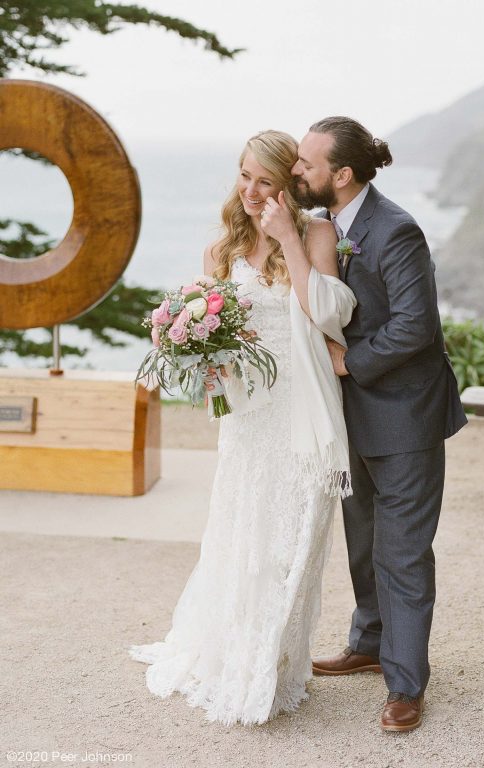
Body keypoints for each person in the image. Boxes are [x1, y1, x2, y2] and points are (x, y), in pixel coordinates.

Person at [128, 130, 356, 726]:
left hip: (302, 412)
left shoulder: (317, 232)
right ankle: (237, 659)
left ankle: (275, 664)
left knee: (295, 540)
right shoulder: (220, 252)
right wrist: (206, 364)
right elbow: (212, 339)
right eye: (244, 176)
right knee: (244, 537)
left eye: (266, 180)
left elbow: (331, 314)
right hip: (248, 416)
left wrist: (289, 239)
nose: (252, 191)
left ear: (289, 184)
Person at [291, 117, 467, 732]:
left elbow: (417, 327)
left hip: (405, 415)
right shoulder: (322, 226)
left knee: (402, 553)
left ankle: (405, 683)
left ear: (342, 175)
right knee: (363, 541)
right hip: (350, 417)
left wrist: (349, 359)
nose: (296, 171)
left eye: (306, 164)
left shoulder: (396, 230)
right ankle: (367, 641)